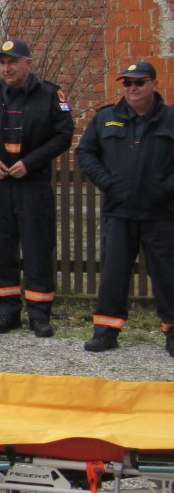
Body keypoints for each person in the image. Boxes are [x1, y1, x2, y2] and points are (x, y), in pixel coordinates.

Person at [0, 38, 73, 337]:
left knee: (37, 247)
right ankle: (7, 313)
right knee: (0, 249)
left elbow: (63, 135)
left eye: (12, 62)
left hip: (31, 183)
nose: (6, 68)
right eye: (2, 62)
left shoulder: (50, 93)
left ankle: (39, 315)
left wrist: (31, 162)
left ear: (27, 63)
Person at [75, 61, 174, 354]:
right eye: (127, 83)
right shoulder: (107, 118)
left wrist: (165, 187)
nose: (132, 88)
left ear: (154, 85)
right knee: (114, 274)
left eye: (139, 83)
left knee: (168, 274)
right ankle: (106, 331)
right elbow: (85, 152)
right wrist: (108, 182)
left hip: (162, 212)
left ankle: (172, 332)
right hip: (118, 211)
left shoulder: (170, 119)